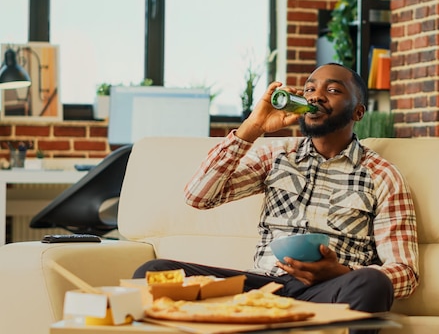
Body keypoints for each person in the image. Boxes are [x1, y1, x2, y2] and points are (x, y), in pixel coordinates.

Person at [134, 63, 419, 333]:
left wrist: (340, 272)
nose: (316, 96)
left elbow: (405, 273)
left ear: (358, 112)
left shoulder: (382, 175)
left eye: (332, 90)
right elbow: (199, 196)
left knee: (372, 281)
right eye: (309, 89)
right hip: (263, 286)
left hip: (331, 290)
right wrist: (253, 128)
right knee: (154, 272)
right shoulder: (277, 155)